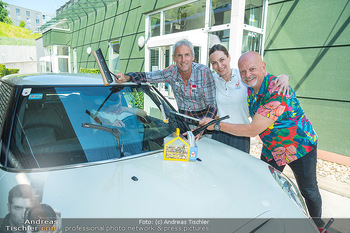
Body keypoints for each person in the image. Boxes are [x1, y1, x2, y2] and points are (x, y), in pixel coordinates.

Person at [200, 51, 322, 225]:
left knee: (308, 191)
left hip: (300, 146)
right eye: (243, 71)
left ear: (263, 67)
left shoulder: (277, 90)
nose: (247, 75)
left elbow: (252, 129)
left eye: (252, 69)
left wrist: (216, 125)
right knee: (264, 183)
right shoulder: (250, 88)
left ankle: (318, 226)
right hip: (273, 148)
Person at [208, 44, 290, 153]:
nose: (219, 65)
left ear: (229, 57)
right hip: (219, 132)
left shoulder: (244, 76)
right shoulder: (212, 79)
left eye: (222, 59)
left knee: (238, 168)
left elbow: (264, 77)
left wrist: (284, 76)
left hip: (241, 134)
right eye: (214, 63)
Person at [114, 39, 217, 123]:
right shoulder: (171, 73)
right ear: (174, 58)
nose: (183, 59)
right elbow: (146, 76)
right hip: (184, 125)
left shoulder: (203, 72)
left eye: (187, 55)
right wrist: (127, 77)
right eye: (179, 56)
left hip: (205, 125)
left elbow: (212, 105)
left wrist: (204, 125)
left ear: (193, 56)